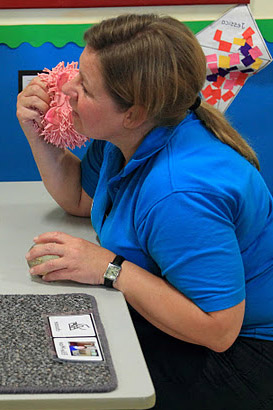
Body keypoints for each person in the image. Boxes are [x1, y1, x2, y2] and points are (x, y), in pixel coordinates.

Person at [17, 14, 273, 410]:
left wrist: (110, 267)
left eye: (84, 86)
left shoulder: (179, 194)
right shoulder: (128, 137)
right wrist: (39, 134)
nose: (66, 87)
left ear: (133, 112)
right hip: (193, 322)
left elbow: (218, 330)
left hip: (241, 351)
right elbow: (79, 201)